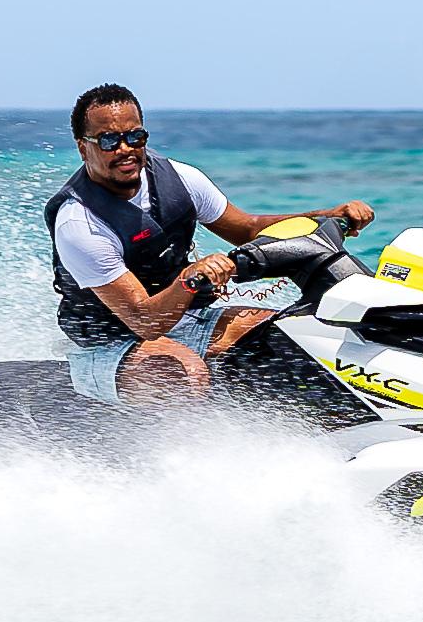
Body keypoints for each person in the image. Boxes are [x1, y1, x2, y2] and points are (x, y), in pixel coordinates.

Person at [48, 83, 374, 406]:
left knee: (293, 335)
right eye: (108, 140)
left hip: (180, 319)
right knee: (185, 375)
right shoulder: (79, 223)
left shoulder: (181, 179)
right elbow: (143, 321)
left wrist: (324, 216)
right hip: (109, 341)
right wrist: (191, 279)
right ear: (83, 147)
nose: (125, 149)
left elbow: (248, 229)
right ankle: (189, 455)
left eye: (135, 136)